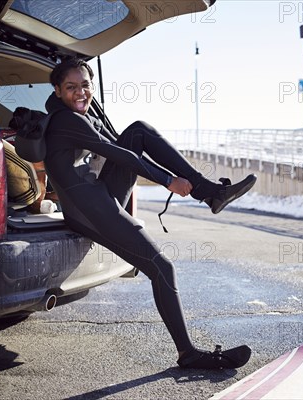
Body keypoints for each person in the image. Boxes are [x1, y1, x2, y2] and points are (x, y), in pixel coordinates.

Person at [43, 57, 257, 369]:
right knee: (162, 268)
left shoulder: (71, 115)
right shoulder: (68, 121)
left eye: (85, 85)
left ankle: (210, 192)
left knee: (138, 131)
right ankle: (188, 353)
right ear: (58, 90)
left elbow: (121, 144)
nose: (81, 92)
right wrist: (168, 180)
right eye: (71, 87)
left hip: (93, 197)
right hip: (89, 210)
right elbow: (118, 154)